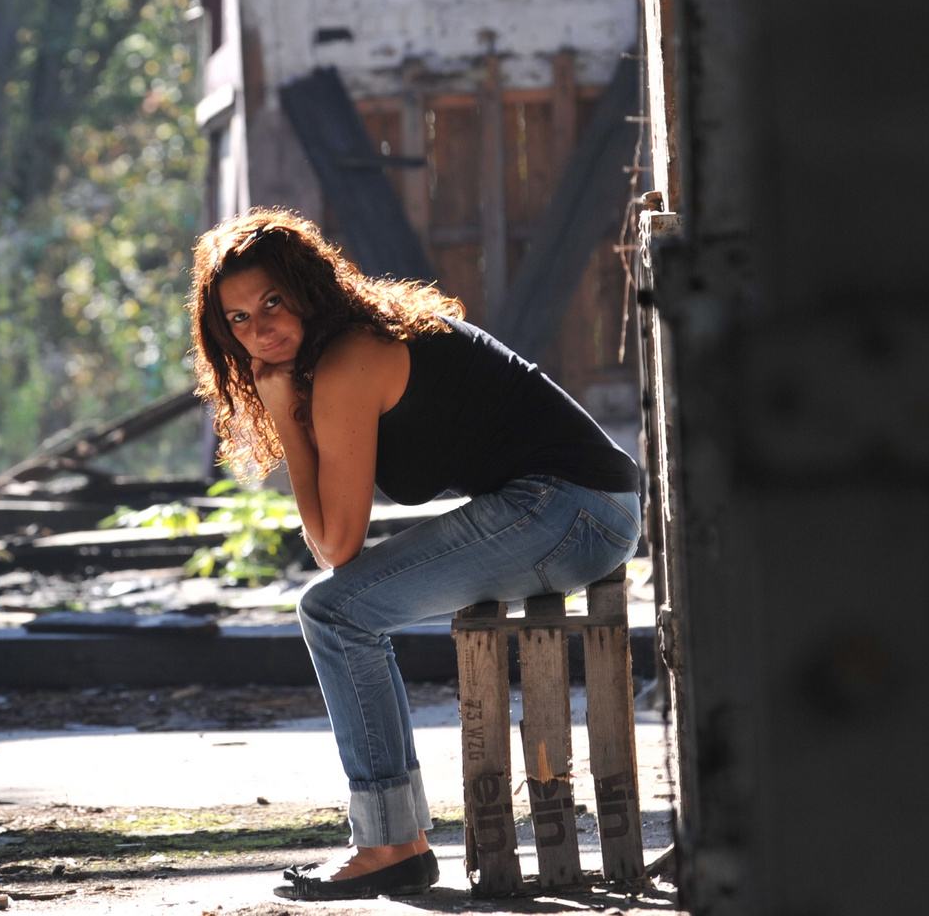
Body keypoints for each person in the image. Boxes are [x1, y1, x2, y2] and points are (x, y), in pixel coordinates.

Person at [189, 209, 641, 901]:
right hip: (574, 508)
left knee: (334, 614)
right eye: (239, 320)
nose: (260, 330)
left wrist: (284, 418)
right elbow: (339, 539)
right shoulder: (350, 344)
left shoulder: (349, 361)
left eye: (272, 302)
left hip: (570, 510)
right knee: (340, 611)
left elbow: (334, 547)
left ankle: (387, 845)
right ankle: (393, 841)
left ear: (307, 288)